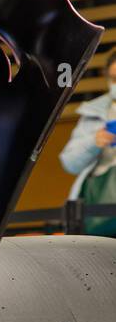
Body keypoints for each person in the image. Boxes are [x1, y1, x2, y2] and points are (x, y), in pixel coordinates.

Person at [60, 49, 116, 236]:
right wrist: (94, 142)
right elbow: (69, 163)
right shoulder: (95, 112)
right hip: (100, 208)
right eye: (115, 78)